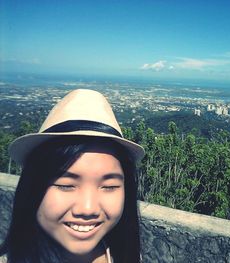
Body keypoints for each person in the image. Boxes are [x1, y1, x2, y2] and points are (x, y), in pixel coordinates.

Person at [0, 89, 145, 263]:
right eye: (66, 185)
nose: (88, 209)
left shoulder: (126, 255)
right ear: (33, 186)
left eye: (109, 186)